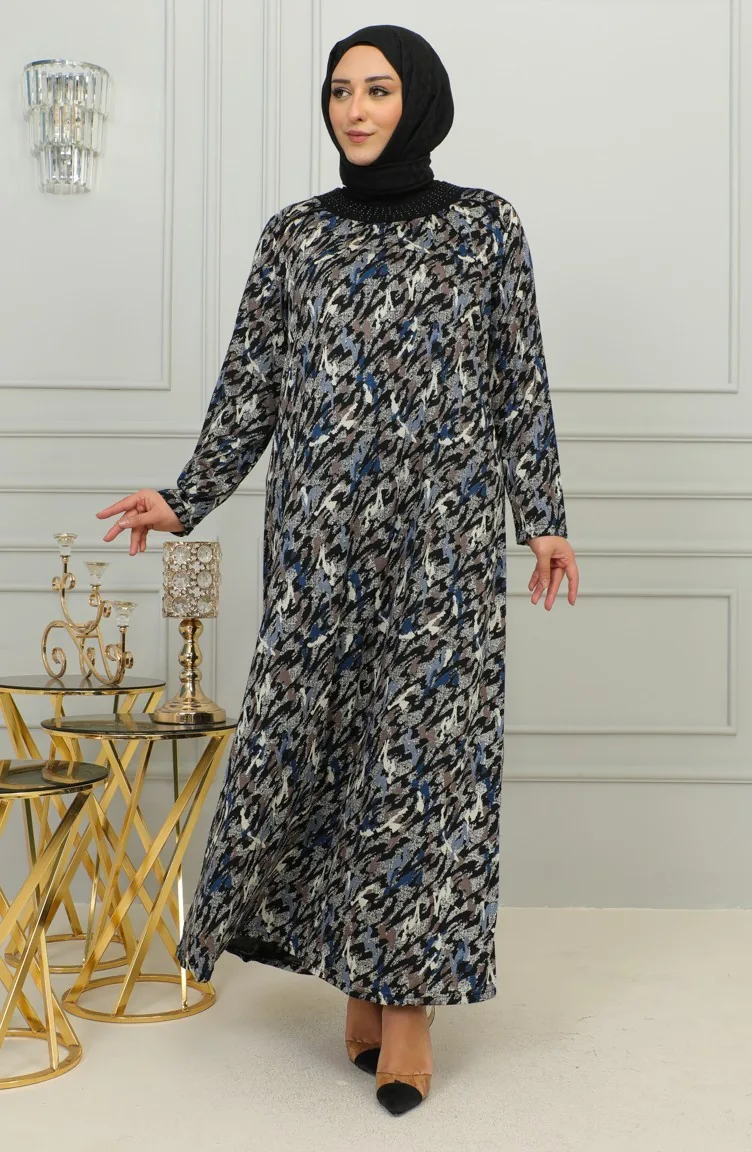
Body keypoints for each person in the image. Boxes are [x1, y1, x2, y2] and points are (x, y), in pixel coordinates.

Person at [97, 23, 579, 1117]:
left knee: (425, 767)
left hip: (443, 543)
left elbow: (518, 379)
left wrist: (543, 518)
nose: (355, 110)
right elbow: (252, 386)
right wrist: (187, 495)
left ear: (419, 102)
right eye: (339, 91)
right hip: (320, 544)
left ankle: (405, 1012)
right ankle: (357, 979)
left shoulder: (485, 228)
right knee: (325, 756)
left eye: (377, 89)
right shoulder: (295, 238)